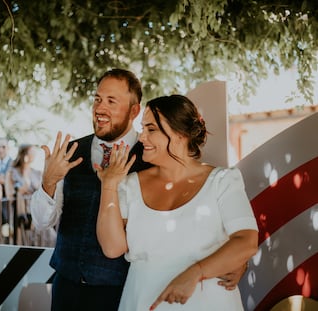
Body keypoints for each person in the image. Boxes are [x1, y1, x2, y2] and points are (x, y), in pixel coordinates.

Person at [30, 69, 246, 311]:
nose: (100, 108)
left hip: (123, 289)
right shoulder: (70, 153)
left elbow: (191, 216)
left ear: (134, 110)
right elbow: (40, 222)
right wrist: (47, 183)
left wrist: (236, 259)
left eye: (112, 101)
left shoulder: (158, 157)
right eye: (98, 99)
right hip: (67, 286)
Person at [96, 95, 259, 311]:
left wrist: (196, 272)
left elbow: (246, 241)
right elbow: (112, 248)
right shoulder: (130, 185)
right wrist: (108, 186)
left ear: (180, 134)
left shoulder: (223, 181)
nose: (142, 137)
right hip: (143, 303)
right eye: (143, 128)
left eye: (151, 129)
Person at [5, 144, 54, 246]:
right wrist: (24, 184)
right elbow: (10, 194)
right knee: (23, 242)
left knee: (50, 238)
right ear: (24, 154)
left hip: (37, 211)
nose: (34, 155)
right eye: (32, 152)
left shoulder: (37, 173)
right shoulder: (12, 172)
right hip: (20, 212)